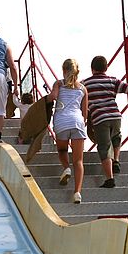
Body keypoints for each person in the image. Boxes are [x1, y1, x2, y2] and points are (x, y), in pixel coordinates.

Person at [82, 55, 128, 188]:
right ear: (106, 68)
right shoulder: (112, 80)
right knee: (116, 137)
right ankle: (116, 160)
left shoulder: (85, 83)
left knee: (104, 146)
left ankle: (109, 179)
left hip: (99, 118)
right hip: (115, 116)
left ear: (92, 69)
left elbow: (76, 94)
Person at [49, 59, 88, 203]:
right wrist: (82, 124)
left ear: (64, 70)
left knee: (62, 151)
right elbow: (85, 112)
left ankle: (66, 168)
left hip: (61, 122)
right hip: (77, 122)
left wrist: (46, 100)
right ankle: (77, 192)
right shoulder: (83, 89)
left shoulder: (59, 84)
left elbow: (53, 97)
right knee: (78, 160)